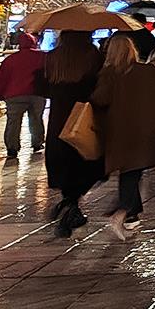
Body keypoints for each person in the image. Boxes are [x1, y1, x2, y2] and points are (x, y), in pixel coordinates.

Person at [91, 36, 155, 240]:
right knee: (133, 170)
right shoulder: (148, 69)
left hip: (120, 128)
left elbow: (100, 99)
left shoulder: (110, 73)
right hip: (146, 126)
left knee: (129, 170)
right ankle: (126, 211)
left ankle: (125, 211)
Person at [44, 31, 105, 237]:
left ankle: (69, 203)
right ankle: (71, 206)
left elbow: (44, 86)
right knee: (88, 162)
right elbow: (98, 85)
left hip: (58, 120)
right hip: (82, 117)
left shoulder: (53, 57)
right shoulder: (92, 54)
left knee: (63, 163)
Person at [0, 32, 47, 158]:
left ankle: (12, 148)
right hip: (37, 94)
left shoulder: (10, 60)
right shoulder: (42, 57)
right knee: (36, 119)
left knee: (13, 122)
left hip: (15, 95)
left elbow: (2, 78)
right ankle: (37, 143)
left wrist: (0, 93)